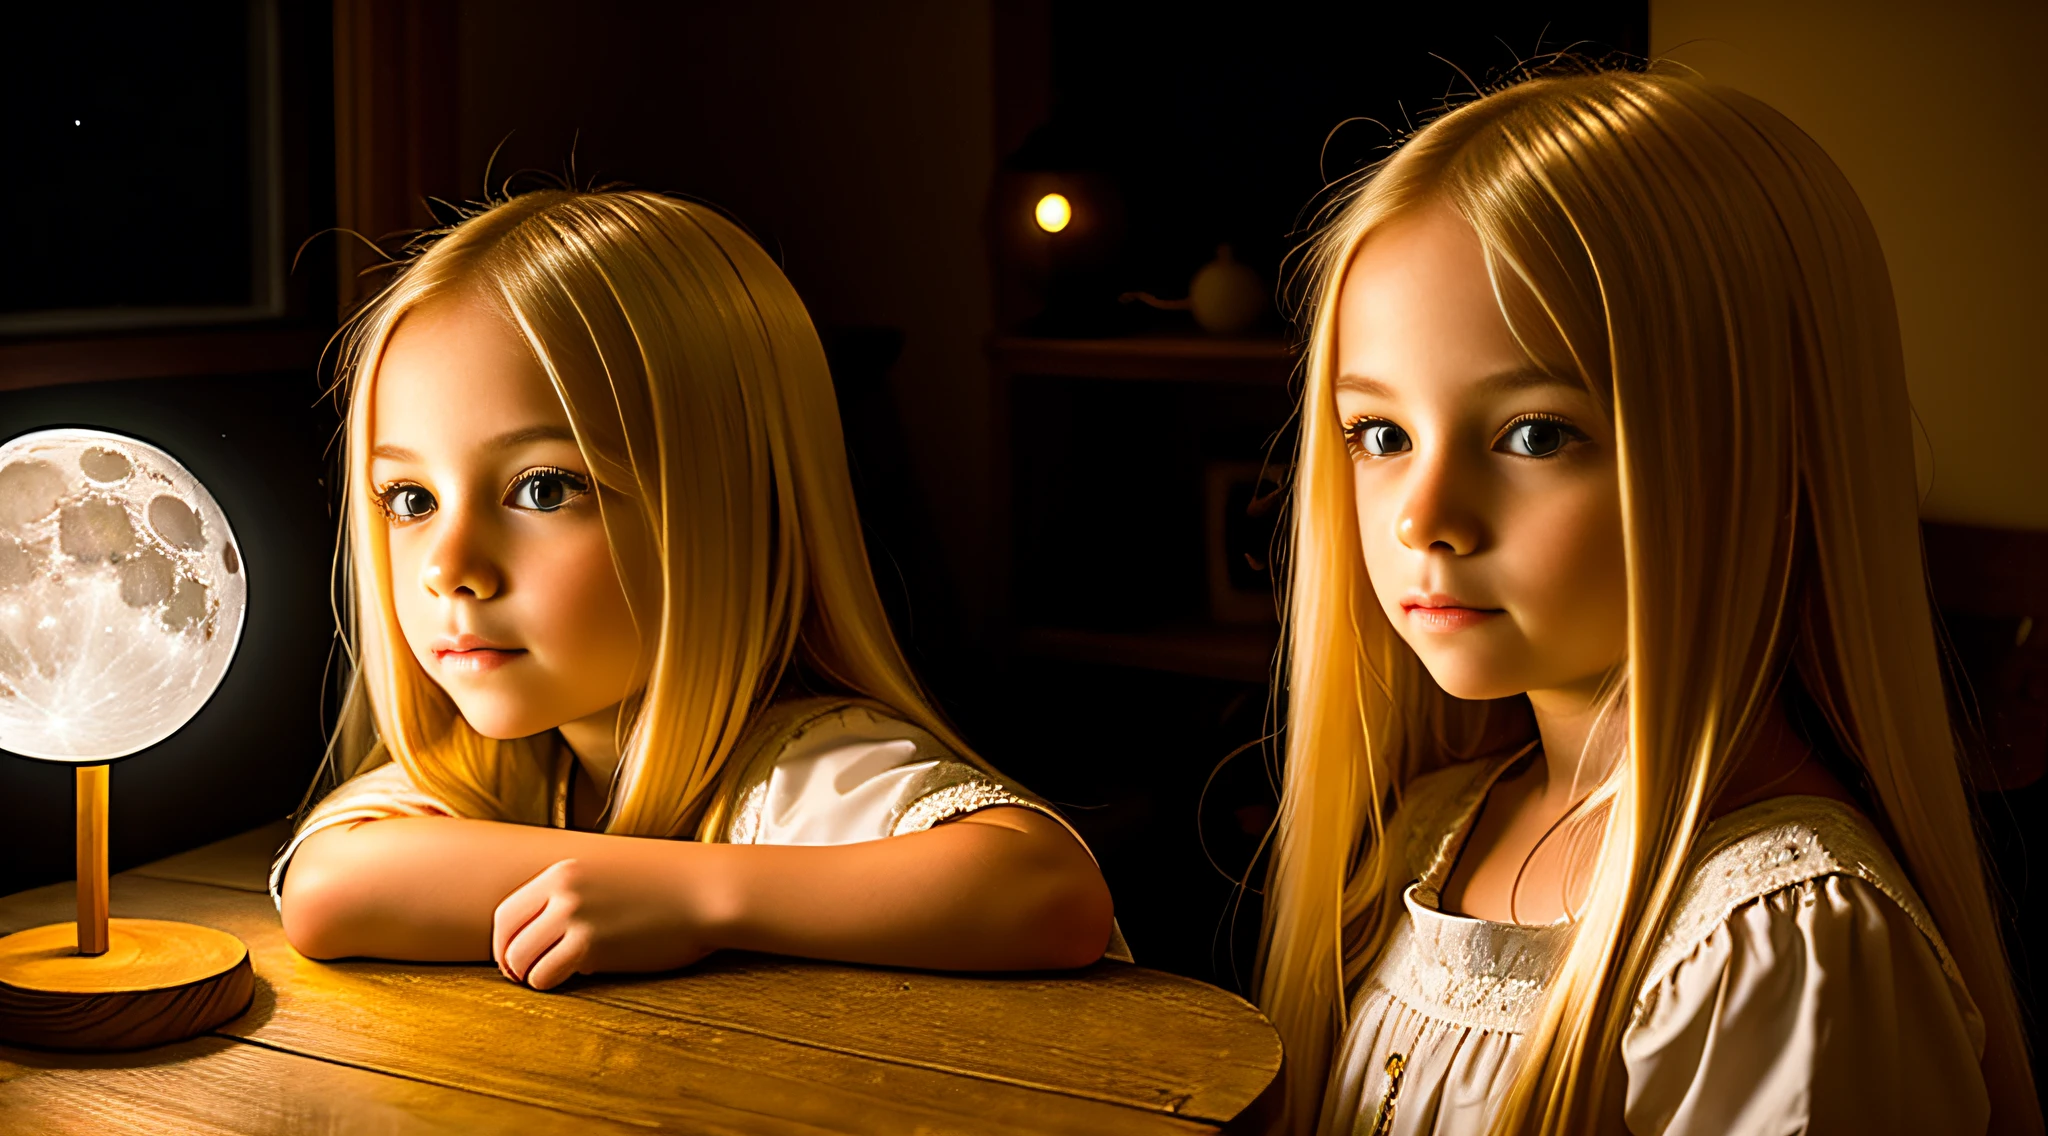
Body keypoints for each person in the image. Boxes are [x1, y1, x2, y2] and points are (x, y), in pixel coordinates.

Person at [1254, 65, 2038, 1135]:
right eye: (1379, 435)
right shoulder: (1435, 830)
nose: (1420, 516)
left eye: (1534, 433)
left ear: (1763, 461)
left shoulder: (1785, 947)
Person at [274, 188, 1123, 990]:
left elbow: (1046, 888)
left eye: (543, 488)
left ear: (726, 507)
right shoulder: (509, 766)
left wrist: (693, 899)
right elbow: (332, 886)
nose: (446, 566)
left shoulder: (800, 769)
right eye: (410, 501)